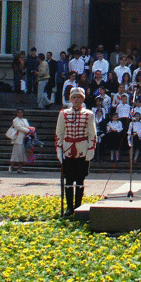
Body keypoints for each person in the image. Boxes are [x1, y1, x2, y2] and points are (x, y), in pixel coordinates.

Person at [55, 86, 97, 216]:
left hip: (82, 149)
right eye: (74, 97)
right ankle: (69, 207)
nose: (77, 100)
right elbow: (59, 134)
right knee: (68, 179)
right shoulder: (63, 113)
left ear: (83, 99)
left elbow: (92, 134)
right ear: (70, 99)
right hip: (68, 149)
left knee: (80, 179)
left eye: (79, 97)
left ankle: (78, 206)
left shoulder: (89, 114)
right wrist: (59, 152)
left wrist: (90, 151)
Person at [8, 108, 32, 173]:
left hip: (24, 139)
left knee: (19, 154)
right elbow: (19, 127)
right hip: (18, 139)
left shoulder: (25, 120)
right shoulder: (15, 120)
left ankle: (12, 166)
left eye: (21, 112)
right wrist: (28, 130)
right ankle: (20, 168)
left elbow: (28, 126)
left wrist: (29, 130)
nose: (20, 114)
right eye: (18, 112)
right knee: (19, 154)